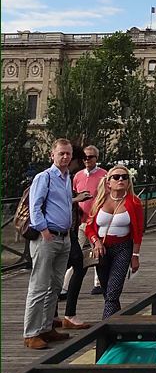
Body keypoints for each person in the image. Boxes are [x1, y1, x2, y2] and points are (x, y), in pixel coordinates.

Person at [22, 139, 74, 349]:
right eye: (61, 153)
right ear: (52, 154)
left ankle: (46, 327)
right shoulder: (44, 177)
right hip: (48, 236)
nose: (65, 157)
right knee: (39, 285)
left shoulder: (66, 177)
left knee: (54, 286)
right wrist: (44, 230)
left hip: (63, 236)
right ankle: (31, 332)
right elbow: (34, 206)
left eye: (68, 154)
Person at [86, 165, 144, 318]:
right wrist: (96, 242)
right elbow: (89, 227)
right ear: (108, 182)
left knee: (113, 290)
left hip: (123, 248)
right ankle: (118, 323)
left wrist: (135, 255)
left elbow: (138, 231)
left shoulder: (134, 202)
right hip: (102, 250)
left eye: (124, 177)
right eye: (116, 177)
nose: (120, 180)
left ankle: (105, 328)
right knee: (107, 291)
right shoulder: (99, 200)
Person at [57, 145, 92, 329]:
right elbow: (51, 202)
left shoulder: (66, 177)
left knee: (77, 265)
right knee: (54, 274)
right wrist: (76, 200)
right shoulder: (51, 177)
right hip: (54, 234)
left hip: (68, 231)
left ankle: (62, 314)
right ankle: (63, 314)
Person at [72, 145, 107, 295]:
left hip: (96, 220)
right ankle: (68, 285)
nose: (87, 160)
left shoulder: (104, 175)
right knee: (75, 252)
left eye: (90, 157)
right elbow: (74, 193)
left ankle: (98, 283)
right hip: (80, 220)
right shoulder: (78, 175)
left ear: (96, 158)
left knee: (97, 250)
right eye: (84, 157)